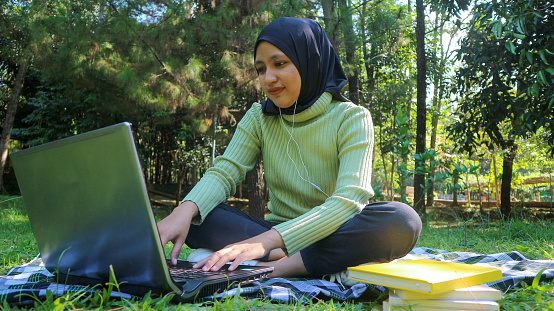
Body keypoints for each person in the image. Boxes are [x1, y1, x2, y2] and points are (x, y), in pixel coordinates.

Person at [157, 17, 422, 279]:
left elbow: (347, 202)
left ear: (310, 61)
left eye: (280, 63)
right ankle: (288, 256)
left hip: (334, 231)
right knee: (196, 215)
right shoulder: (258, 117)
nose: (268, 78)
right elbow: (225, 172)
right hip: (274, 231)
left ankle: (275, 267)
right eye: (261, 69)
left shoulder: (351, 117)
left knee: (401, 221)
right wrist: (183, 211)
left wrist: (263, 243)